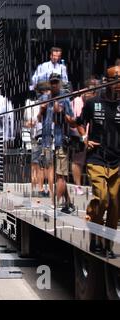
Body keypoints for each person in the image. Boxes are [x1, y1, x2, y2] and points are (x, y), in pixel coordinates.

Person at [76, 65, 120, 258]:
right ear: (107, 81)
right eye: (114, 78)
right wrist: (85, 138)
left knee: (116, 204)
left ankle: (107, 244)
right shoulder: (93, 102)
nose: (118, 82)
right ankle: (95, 236)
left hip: (117, 160)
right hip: (97, 158)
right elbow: (79, 123)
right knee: (102, 198)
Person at [37, 73, 75, 214]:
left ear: (59, 83)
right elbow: (39, 119)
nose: (54, 85)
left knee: (60, 175)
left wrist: (63, 112)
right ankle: (69, 203)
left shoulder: (65, 99)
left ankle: (54, 204)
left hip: (60, 141)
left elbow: (72, 121)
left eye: (56, 82)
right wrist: (42, 109)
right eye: (52, 82)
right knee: (54, 175)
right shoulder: (44, 99)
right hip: (47, 141)